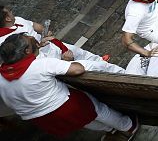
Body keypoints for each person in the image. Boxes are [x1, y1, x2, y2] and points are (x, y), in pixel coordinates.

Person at [0, 33, 138, 139]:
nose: (32, 38)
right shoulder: (41, 64)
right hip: (63, 105)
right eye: (29, 41)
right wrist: (68, 61)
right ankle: (129, 126)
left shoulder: (2, 75)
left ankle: (111, 130)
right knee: (98, 111)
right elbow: (77, 69)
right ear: (27, 52)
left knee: (83, 121)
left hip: (40, 118)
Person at [0, 5, 122, 72]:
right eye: (9, 12)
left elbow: (36, 26)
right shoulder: (5, 41)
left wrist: (45, 32)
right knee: (86, 66)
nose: (12, 12)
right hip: (48, 57)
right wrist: (64, 61)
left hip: (52, 44)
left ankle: (100, 60)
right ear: (7, 19)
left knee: (81, 53)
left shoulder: (19, 20)